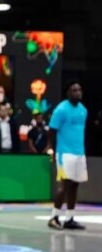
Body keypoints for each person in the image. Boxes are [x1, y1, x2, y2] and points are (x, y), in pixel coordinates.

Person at [48, 81, 88, 230]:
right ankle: (54, 217)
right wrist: (53, 150)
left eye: (79, 90)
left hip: (79, 153)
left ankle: (69, 219)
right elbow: (51, 131)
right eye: (74, 90)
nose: (78, 93)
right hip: (64, 153)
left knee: (75, 185)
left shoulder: (83, 110)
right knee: (64, 185)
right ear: (68, 93)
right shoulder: (61, 110)